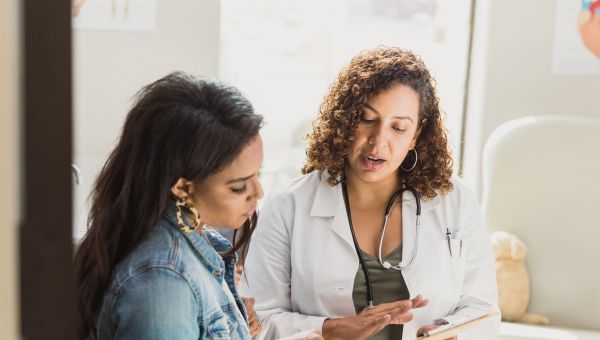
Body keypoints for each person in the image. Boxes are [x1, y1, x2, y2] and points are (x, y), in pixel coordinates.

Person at [240, 47, 499, 340]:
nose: (378, 141)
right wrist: (332, 329)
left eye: (398, 127)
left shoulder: (456, 200)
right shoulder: (289, 205)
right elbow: (257, 319)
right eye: (366, 119)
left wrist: (450, 334)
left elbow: (484, 310)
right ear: (346, 120)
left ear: (416, 135)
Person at [73, 72, 265, 339]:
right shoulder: (163, 279)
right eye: (239, 187)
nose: (259, 192)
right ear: (182, 187)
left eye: (259, 174)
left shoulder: (192, 239)